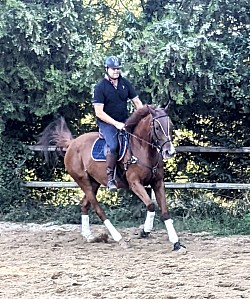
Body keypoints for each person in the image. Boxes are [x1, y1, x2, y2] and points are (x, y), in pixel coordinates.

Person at [92, 55, 143, 191]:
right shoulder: (100, 87)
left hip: (124, 120)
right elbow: (99, 112)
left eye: (118, 69)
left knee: (139, 137)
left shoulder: (125, 83)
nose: (116, 71)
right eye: (113, 69)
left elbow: (137, 102)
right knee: (113, 145)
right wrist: (115, 124)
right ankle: (110, 179)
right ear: (106, 69)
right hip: (107, 123)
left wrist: (143, 116)